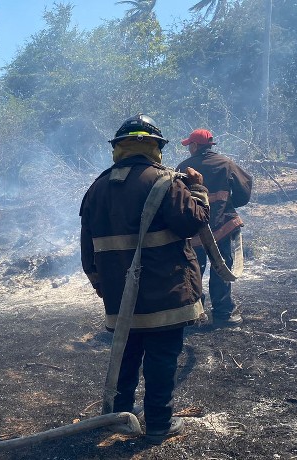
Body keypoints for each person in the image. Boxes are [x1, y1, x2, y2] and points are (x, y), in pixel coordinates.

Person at [80, 114, 210, 444]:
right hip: (166, 293)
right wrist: (197, 187)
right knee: (162, 358)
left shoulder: (97, 188)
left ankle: (120, 417)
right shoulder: (167, 181)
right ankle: (158, 425)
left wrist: (101, 285)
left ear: (119, 148)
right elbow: (193, 223)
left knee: (125, 353)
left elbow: (87, 249)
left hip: (120, 298)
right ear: (154, 147)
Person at [176, 129, 252, 326]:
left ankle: (195, 314)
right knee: (222, 269)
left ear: (194, 146)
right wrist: (228, 205)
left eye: (189, 146)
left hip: (194, 231)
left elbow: (176, 200)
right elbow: (245, 190)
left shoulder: (184, 167)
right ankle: (223, 313)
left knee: (194, 271)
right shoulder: (226, 164)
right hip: (222, 228)